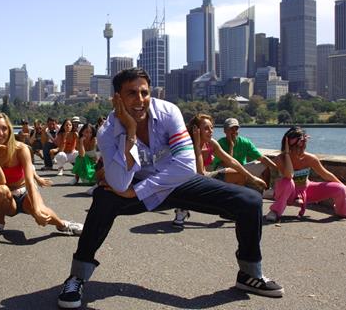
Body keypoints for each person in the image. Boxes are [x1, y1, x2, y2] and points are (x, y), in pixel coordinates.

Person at [57, 68, 283, 308]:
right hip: (138, 183)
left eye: (144, 92)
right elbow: (120, 183)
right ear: (117, 98)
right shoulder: (108, 132)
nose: (140, 99)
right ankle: (77, 276)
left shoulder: (168, 113)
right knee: (104, 199)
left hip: (174, 182)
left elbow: (185, 165)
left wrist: (138, 191)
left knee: (249, 201)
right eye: (131, 93)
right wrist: (130, 133)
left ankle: (250, 274)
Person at [0, 112, 83, 239]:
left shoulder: (20, 148)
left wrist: (36, 210)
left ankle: (63, 225)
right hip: (8, 200)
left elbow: (30, 181)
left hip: (25, 192)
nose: (0, 133)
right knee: (0, 190)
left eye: (4, 128)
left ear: (9, 130)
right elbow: (1, 181)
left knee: (41, 213)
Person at [172, 114, 268, 227]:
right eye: (206, 128)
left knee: (238, 175)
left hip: (206, 176)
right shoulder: (187, 145)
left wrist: (252, 177)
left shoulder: (211, 143)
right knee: (190, 184)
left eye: (212, 128)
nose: (211, 131)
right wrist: (197, 147)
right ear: (196, 130)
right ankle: (182, 208)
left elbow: (231, 161)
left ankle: (230, 209)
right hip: (187, 181)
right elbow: (199, 174)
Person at [265, 126, 346, 222]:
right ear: (288, 145)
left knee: (340, 188)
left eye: (303, 145)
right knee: (288, 181)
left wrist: (343, 186)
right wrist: (286, 154)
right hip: (288, 192)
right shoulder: (280, 159)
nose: (300, 149)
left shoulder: (310, 158)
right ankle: (275, 211)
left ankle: (342, 211)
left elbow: (325, 174)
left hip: (306, 190)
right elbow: (289, 175)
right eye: (297, 146)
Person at [212, 118, 277, 189]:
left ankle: (266, 189)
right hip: (223, 169)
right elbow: (227, 164)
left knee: (264, 165)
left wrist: (277, 167)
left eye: (236, 129)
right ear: (225, 131)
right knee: (235, 173)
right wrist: (231, 146)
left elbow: (261, 158)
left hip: (241, 168)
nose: (234, 131)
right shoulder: (220, 143)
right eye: (231, 129)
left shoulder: (245, 142)